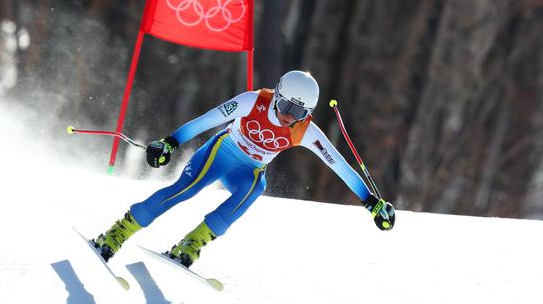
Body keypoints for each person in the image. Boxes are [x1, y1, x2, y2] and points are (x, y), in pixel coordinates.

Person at [93, 70, 395, 267]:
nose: (290, 116)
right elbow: (207, 121)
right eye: (287, 107)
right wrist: (171, 142)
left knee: (254, 189)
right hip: (222, 153)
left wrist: (370, 202)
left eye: (300, 112)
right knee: (185, 190)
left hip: (249, 170)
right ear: (277, 95)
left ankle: (192, 243)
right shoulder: (253, 101)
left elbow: (339, 165)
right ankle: (117, 233)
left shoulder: (306, 131)